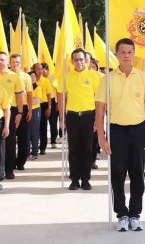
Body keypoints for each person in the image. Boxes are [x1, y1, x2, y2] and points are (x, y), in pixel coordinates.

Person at [95, 38, 145, 232]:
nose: (126, 55)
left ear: (134, 53)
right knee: (118, 174)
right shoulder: (108, 78)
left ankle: (135, 214)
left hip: (139, 130)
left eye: (130, 52)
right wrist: (102, 137)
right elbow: (99, 109)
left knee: (138, 172)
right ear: (117, 54)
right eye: (122, 52)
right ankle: (121, 214)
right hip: (116, 130)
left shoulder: (144, 77)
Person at [57, 48, 100, 190]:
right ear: (72, 61)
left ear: (86, 60)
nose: (79, 62)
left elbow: (99, 99)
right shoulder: (66, 76)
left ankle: (86, 179)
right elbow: (62, 97)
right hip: (73, 116)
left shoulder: (94, 76)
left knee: (87, 149)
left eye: (81, 59)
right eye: (76, 60)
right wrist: (62, 117)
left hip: (89, 115)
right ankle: (74, 178)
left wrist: (97, 120)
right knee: (74, 148)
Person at [0, 52, 24, 179]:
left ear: (7, 62)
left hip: (10, 111)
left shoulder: (15, 77)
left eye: (2, 60)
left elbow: (19, 96)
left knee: (10, 142)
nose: (0, 62)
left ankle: (9, 169)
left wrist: (20, 113)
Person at [10, 54, 33, 170]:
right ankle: (10, 161)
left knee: (23, 136)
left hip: (23, 107)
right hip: (10, 107)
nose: (15, 64)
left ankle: (21, 161)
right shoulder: (5, 76)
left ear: (21, 63)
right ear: (10, 63)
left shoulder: (26, 77)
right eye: (13, 62)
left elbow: (29, 94)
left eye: (18, 62)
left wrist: (30, 109)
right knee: (11, 136)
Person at [33, 63, 52, 154]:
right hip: (33, 105)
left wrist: (49, 107)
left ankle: (43, 147)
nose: (40, 71)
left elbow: (49, 95)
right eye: (38, 69)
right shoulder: (30, 80)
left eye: (41, 69)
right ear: (33, 69)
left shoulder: (45, 81)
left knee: (43, 126)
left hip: (43, 104)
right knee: (33, 127)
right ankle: (33, 146)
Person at [41, 63, 58, 148]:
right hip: (43, 101)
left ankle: (53, 140)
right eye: (41, 70)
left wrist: (58, 102)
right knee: (43, 122)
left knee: (53, 122)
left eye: (44, 70)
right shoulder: (39, 78)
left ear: (48, 70)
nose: (43, 72)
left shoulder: (53, 77)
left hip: (53, 100)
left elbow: (58, 90)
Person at [28, 71, 42, 160]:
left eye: (34, 76)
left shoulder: (38, 88)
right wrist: (31, 99)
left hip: (35, 110)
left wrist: (29, 100)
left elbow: (37, 100)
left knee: (35, 132)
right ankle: (26, 151)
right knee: (26, 132)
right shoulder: (25, 88)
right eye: (30, 76)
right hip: (27, 110)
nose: (32, 78)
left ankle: (35, 151)